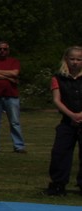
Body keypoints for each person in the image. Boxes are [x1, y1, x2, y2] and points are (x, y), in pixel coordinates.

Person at [44, 46, 82, 196]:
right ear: (66, 60)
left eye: (79, 59)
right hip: (67, 121)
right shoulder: (58, 78)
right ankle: (58, 184)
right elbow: (56, 100)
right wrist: (72, 115)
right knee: (60, 153)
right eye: (72, 59)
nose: (75, 62)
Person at [0, 41, 25, 154]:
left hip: (11, 96)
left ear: (8, 50)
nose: (2, 51)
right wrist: (8, 77)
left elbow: (15, 73)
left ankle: (19, 146)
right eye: (0, 49)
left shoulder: (14, 61)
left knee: (15, 122)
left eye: (4, 49)